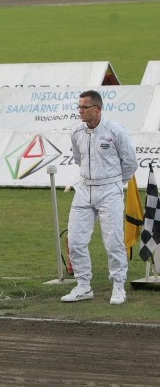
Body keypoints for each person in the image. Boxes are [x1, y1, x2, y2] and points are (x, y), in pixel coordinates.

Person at [62, 90, 137, 305]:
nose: (80, 111)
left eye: (85, 107)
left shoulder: (115, 131)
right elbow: (78, 158)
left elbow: (130, 162)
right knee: (75, 241)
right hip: (84, 190)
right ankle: (83, 286)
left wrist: (113, 182)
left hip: (110, 190)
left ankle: (118, 286)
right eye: (79, 107)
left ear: (98, 108)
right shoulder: (76, 132)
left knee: (113, 240)